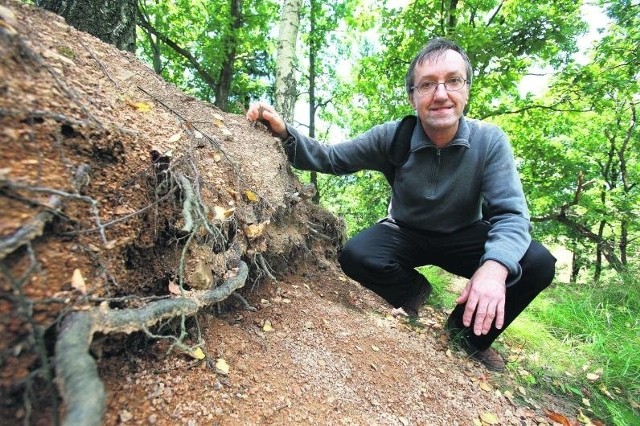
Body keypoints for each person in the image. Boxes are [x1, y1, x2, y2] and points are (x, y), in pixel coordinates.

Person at [246, 38, 556, 371]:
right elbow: (332, 158)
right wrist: (284, 133)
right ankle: (412, 293)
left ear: (466, 90)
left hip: (465, 235)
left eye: (453, 81)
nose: (440, 94)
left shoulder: (489, 141)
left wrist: (494, 269)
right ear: (412, 96)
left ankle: (466, 337)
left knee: (536, 262)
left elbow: (511, 214)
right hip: (405, 231)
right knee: (356, 255)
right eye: (426, 85)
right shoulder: (392, 137)